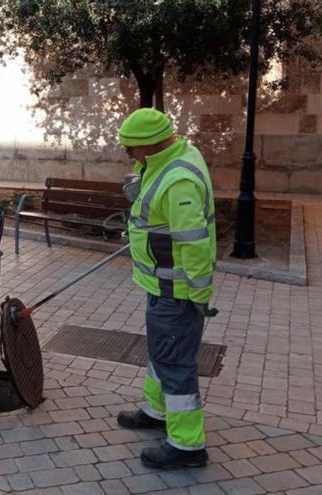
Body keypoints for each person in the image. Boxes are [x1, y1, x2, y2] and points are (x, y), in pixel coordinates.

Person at [115, 108, 217, 469]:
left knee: (175, 363)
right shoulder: (167, 162)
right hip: (161, 286)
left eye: (131, 150)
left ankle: (187, 446)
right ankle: (156, 411)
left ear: (151, 146)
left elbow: (194, 243)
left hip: (177, 292)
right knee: (161, 353)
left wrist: (197, 295)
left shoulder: (179, 181)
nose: (129, 156)